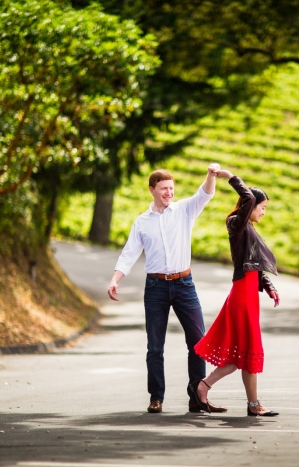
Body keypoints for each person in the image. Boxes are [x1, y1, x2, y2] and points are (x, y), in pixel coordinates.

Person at [107, 164, 228, 414]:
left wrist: (210, 174)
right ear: (152, 190)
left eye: (171, 188)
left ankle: (197, 395)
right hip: (156, 287)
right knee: (155, 346)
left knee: (198, 342)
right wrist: (115, 279)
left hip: (184, 284)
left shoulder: (184, 210)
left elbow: (205, 194)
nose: (169, 193)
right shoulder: (141, 222)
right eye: (164, 188)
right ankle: (156, 397)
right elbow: (129, 253)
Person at [190, 170, 281, 416]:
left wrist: (269, 287)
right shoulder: (236, 224)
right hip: (242, 294)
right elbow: (248, 198)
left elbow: (254, 264)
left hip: (249, 292)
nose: (263, 211)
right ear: (249, 206)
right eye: (262, 207)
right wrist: (231, 177)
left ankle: (202, 386)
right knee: (249, 349)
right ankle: (254, 405)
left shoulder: (249, 228)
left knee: (239, 355)